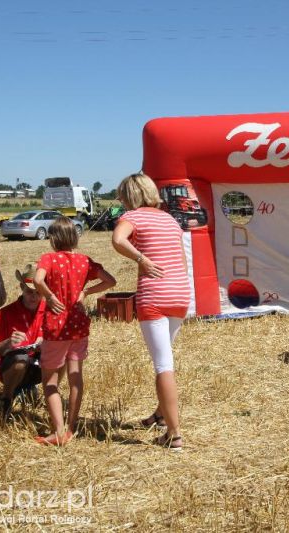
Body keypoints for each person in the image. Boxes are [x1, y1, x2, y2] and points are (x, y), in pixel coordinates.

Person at [111, 172, 191, 451]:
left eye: (122, 196)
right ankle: (160, 414)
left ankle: (174, 433)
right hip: (180, 293)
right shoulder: (169, 219)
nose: (120, 201)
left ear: (131, 195)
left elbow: (118, 240)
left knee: (163, 365)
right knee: (166, 353)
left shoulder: (133, 217)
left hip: (154, 295)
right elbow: (182, 258)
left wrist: (141, 259)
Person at [33, 217, 116, 445]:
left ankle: (59, 431)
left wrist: (49, 296)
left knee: (50, 382)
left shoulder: (48, 258)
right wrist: (86, 293)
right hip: (79, 325)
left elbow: (38, 279)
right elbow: (110, 281)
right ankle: (71, 427)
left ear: (53, 239)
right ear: (74, 238)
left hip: (56, 328)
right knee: (75, 377)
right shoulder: (84, 261)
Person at [0, 264, 46, 420]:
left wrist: (48, 344)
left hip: (40, 364)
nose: (34, 297)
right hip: (11, 365)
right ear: (21, 287)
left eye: (38, 293)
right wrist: (6, 344)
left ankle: (50, 396)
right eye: (29, 292)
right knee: (20, 359)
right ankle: (7, 398)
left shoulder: (50, 310)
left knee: (63, 357)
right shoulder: (6, 313)